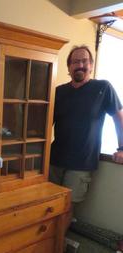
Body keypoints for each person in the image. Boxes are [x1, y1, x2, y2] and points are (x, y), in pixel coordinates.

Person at [50, 45, 123, 209]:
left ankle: (60, 236)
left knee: (67, 208)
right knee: (48, 203)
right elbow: (45, 124)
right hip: (54, 160)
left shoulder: (103, 88)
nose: (80, 65)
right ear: (69, 67)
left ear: (91, 65)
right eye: (75, 61)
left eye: (84, 61)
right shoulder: (58, 92)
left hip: (81, 163)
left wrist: (122, 148)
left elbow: (119, 118)